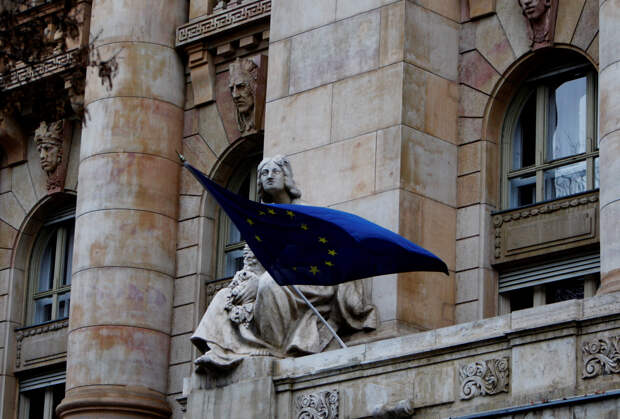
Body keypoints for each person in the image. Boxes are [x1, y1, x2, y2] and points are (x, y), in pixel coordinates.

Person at [191, 155, 377, 370]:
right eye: (264, 173)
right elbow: (252, 264)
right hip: (278, 281)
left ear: (286, 176)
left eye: (275, 171)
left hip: (312, 280)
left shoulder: (304, 213)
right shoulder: (260, 220)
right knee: (224, 295)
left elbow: (317, 255)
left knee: (269, 283)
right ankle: (220, 352)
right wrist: (247, 281)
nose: (269, 176)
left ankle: (271, 347)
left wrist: (261, 280)